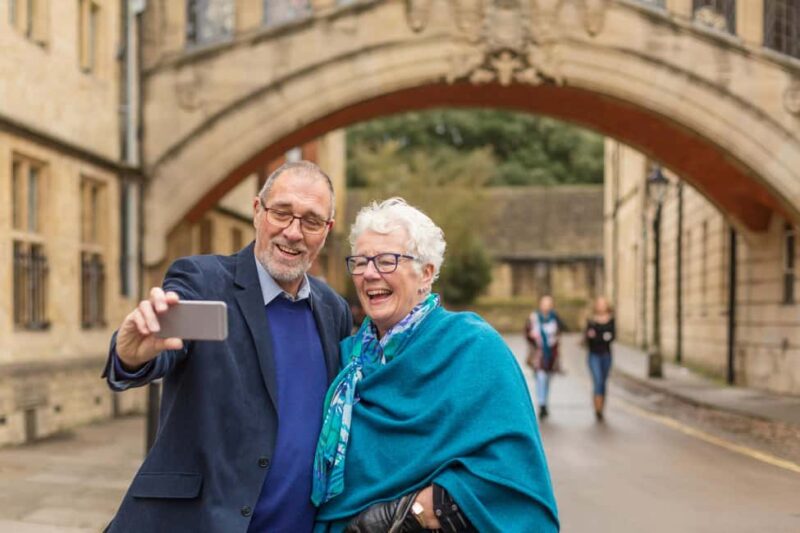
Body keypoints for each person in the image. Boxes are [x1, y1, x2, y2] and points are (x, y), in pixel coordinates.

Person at [102, 161, 352, 532]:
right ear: (257, 211)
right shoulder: (202, 281)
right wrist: (131, 356)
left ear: (326, 230)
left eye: (311, 221)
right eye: (281, 213)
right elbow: (166, 342)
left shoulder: (334, 310)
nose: (293, 232)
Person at [311, 198, 559, 532]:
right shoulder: (345, 359)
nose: (369, 273)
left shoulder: (473, 347)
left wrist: (415, 511)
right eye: (361, 261)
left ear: (426, 273)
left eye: (386, 261)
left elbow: (512, 476)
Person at [525, 295, 565, 420]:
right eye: (544, 304)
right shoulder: (534, 317)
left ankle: (545, 402)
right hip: (538, 353)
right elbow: (527, 333)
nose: (546, 306)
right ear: (540, 305)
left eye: (549, 304)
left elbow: (562, 330)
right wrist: (532, 336)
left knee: (548, 379)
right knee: (540, 378)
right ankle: (541, 404)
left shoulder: (555, 318)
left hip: (551, 353)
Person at [585, 296, 615, 421]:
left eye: (603, 304)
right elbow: (589, 338)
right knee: (597, 380)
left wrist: (597, 336)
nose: (601, 306)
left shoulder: (611, 320)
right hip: (594, 355)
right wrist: (602, 337)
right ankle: (597, 410)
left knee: (603, 382)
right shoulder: (591, 320)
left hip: (606, 355)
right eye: (599, 304)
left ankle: (601, 408)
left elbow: (612, 337)